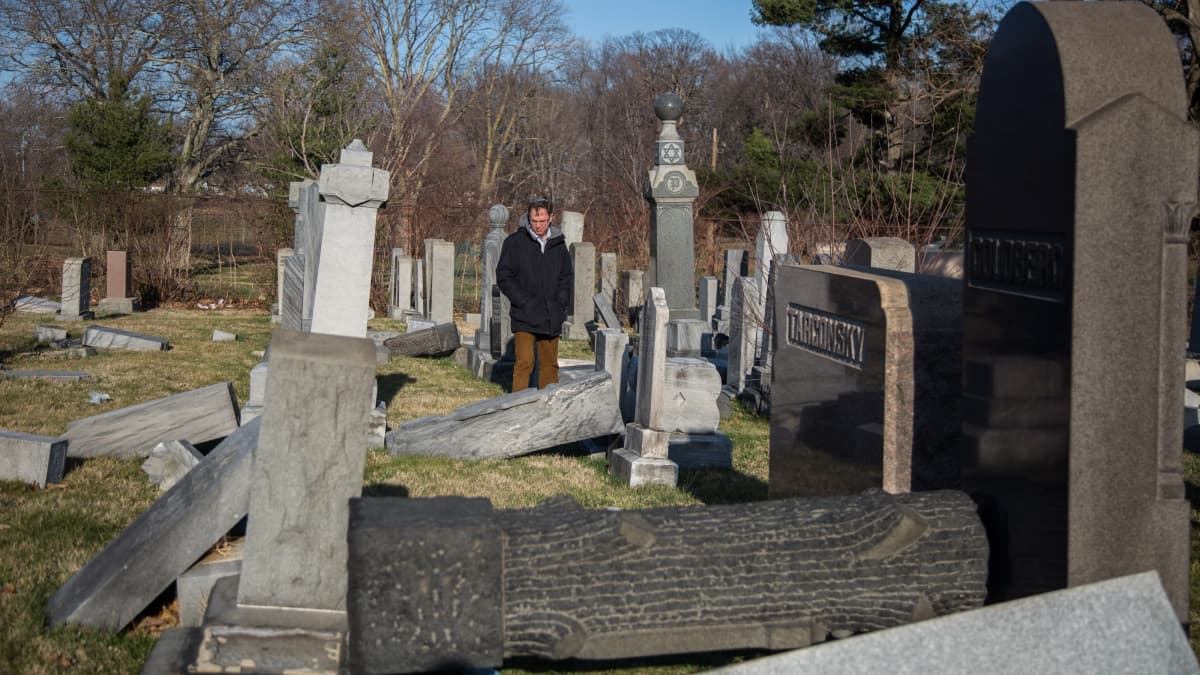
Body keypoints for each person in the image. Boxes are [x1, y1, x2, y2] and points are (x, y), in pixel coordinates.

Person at [496, 197, 574, 391]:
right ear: (528, 218)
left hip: (551, 315)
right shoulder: (515, 242)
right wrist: (521, 300)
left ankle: (547, 411)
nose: (538, 225)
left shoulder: (558, 244)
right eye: (534, 221)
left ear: (550, 218)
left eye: (542, 221)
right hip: (525, 313)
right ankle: (519, 408)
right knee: (525, 362)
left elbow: (566, 277)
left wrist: (560, 303)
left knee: (549, 365)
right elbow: (504, 275)